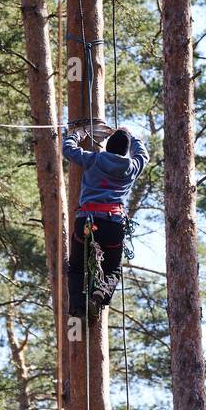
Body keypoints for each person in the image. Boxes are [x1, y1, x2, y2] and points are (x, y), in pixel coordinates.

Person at [61, 123, 149, 316]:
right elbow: (143, 155)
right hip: (113, 224)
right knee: (113, 269)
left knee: (76, 267)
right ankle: (101, 293)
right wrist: (131, 135)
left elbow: (67, 149)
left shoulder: (94, 159)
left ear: (107, 147)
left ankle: (77, 309)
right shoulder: (132, 167)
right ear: (126, 151)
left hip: (87, 220)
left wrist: (78, 134)